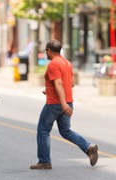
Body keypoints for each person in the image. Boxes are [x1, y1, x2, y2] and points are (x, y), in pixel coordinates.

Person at [30, 39, 98, 170]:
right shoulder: (67, 63)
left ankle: (44, 161)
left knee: (43, 130)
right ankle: (88, 147)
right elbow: (70, 84)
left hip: (55, 104)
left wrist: (62, 103)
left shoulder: (53, 65)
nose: (46, 54)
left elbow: (59, 84)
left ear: (49, 51)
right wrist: (53, 92)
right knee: (66, 131)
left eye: (46, 51)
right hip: (68, 101)